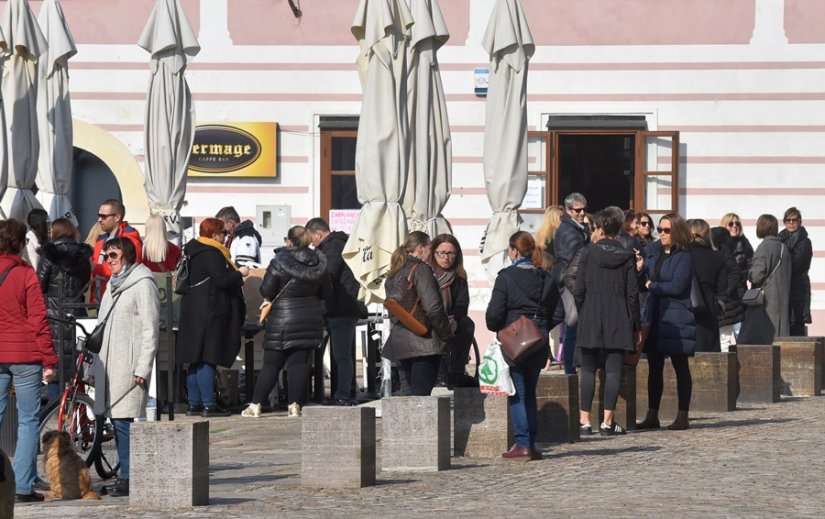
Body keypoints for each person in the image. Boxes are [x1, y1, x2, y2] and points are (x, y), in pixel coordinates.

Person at [93, 237, 159, 498]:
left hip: (128, 363)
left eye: (113, 255)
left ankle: (130, 476)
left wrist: (142, 367)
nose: (109, 260)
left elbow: (150, 329)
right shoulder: (112, 284)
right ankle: (126, 474)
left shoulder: (143, 283)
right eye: (106, 255)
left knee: (123, 420)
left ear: (127, 255)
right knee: (116, 418)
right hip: (109, 362)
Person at [241, 226, 329, 418]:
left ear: (289, 241)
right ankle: (294, 405)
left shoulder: (279, 262)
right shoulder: (319, 262)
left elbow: (266, 290)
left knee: (272, 364)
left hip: (283, 318)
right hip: (310, 317)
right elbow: (326, 292)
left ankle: (256, 404)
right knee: (299, 363)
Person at [487, 231, 558, 460]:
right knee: (530, 393)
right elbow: (559, 312)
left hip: (514, 340)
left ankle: (522, 444)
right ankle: (532, 444)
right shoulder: (545, 277)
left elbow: (493, 314)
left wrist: (502, 327)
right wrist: (541, 327)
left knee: (518, 393)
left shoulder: (506, 277)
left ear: (514, 251)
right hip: (538, 340)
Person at [0, 218, 58, 503]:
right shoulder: (25, 275)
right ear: (21, 243)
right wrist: (49, 358)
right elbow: (38, 320)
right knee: (27, 421)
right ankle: (22, 487)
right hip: (24, 354)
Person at [573, 207, 641, 436]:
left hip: (591, 312)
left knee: (589, 369)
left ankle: (584, 421)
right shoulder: (626, 255)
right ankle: (607, 422)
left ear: (600, 228)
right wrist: (636, 325)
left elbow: (579, 289)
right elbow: (633, 294)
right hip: (618, 315)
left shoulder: (589, 253)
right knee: (613, 370)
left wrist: (585, 310)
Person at [177, 218, 247, 418]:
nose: (225, 236)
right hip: (209, 311)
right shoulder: (212, 252)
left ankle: (194, 404)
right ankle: (209, 404)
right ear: (215, 234)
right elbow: (222, 280)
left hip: (192, 310)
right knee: (207, 358)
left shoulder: (192, 249)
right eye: (223, 232)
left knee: (194, 359)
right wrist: (240, 273)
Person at [637, 213, 695, 431]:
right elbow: (644, 281)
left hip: (677, 316)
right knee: (654, 367)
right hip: (655, 315)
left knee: (681, 366)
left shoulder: (685, 256)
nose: (661, 233)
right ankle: (652, 413)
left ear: (676, 231)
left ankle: (683, 414)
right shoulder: (654, 252)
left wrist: (653, 285)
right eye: (659, 229)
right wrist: (642, 270)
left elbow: (678, 286)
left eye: (666, 230)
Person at [382, 231, 452, 397]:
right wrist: (446, 335)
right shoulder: (421, 269)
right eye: (430, 248)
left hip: (399, 342)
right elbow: (433, 307)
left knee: (408, 398)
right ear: (420, 248)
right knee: (420, 400)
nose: (432, 253)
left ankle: (404, 425)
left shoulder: (394, 272)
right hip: (424, 343)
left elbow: (393, 310)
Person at [306, 217, 363, 405]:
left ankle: (343, 395)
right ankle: (342, 393)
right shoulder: (336, 244)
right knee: (340, 354)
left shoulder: (333, 246)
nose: (312, 244)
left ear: (318, 234)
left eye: (312, 239)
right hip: (338, 307)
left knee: (341, 355)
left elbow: (327, 273)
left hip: (341, 307)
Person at [37, 218, 93, 400]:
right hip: (77, 314)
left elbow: (39, 284)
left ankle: (55, 413)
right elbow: (85, 282)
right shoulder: (83, 257)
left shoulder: (49, 255)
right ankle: (75, 410)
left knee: (54, 369)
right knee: (76, 369)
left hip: (53, 316)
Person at [429, 234, 477, 389]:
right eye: (441, 253)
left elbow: (463, 304)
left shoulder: (459, 276)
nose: (446, 257)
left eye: (450, 253)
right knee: (438, 328)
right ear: (434, 253)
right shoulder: (427, 273)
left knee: (467, 324)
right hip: (430, 317)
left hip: (451, 317)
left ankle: (457, 371)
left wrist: (453, 318)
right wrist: (442, 319)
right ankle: (439, 374)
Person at [738, 214, 792, 344]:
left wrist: (749, 274)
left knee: (759, 343)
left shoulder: (764, 248)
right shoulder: (784, 248)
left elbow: (757, 275)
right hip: (782, 303)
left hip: (765, 303)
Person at [553, 192, 590, 374]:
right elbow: (577, 254)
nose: (582, 213)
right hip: (569, 281)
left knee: (574, 325)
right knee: (572, 323)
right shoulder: (568, 230)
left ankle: (573, 366)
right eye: (578, 210)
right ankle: (569, 369)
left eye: (584, 209)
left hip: (574, 279)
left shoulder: (578, 227)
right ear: (568, 210)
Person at [90, 199, 143, 303]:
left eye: (104, 216)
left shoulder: (130, 240)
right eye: (99, 216)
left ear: (117, 217)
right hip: (101, 297)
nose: (99, 219)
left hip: (121, 298)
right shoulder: (100, 240)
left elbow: (128, 272)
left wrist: (96, 268)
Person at [688, 219, 726, 353]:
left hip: (687, 304)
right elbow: (722, 286)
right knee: (708, 349)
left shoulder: (684, 254)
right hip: (709, 305)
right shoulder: (716, 256)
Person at [710, 227, 745, 351]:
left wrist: (726, 291)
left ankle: (726, 369)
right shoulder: (716, 250)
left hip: (726, 303)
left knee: (724, 340)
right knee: (723, 339)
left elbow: (734, 272)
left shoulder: (722, 250)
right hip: (724, 302)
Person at [778, 207, 812, 336]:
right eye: (788, 220)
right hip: (784, 286)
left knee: (796, 323)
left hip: (798, 286)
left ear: (800, 222)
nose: (791, 223)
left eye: (794, 220)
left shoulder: (805, 242)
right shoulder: (780, 239)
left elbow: (797, 263)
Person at [534, 205, 564, 270]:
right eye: (561, 217)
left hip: (543, 269)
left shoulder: (540, 234)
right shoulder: (558, 235)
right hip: (555, 270)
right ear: (556, 219)